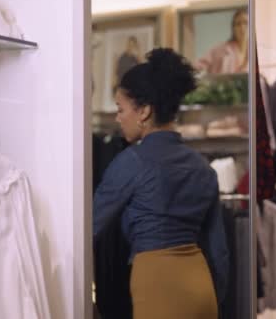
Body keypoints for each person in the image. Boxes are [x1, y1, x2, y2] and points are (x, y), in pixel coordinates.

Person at [93, 48, 228, 319]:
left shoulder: (131, 161)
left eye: (121, 109)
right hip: (201, 286)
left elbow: (90, 225)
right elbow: (219, 252)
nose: (118, 118)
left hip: (156, 284)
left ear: (144, 111)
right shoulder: (203, 168)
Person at [195, 8, 248, 74]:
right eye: (238, 24)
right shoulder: (221, 50)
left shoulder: (254, 52)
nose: (242, 27)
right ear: (233, 28)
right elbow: (198, 67)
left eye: (246, 23)